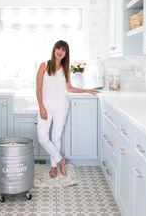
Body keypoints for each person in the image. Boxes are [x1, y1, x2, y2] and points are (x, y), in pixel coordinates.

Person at [36, 40, 99, 178]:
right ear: (54, 50)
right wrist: (41, 107)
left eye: (63, 50)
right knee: (42, 137)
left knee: (56, 137)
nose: (60, 51)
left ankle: (53, 168)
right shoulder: (44, 65)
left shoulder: (66, 69)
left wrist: (86, 90)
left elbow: (69, 88)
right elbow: (38, 88)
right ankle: (60, 160)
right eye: (58, 48)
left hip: (61, 108)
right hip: (46, 107)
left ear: (66, 53)